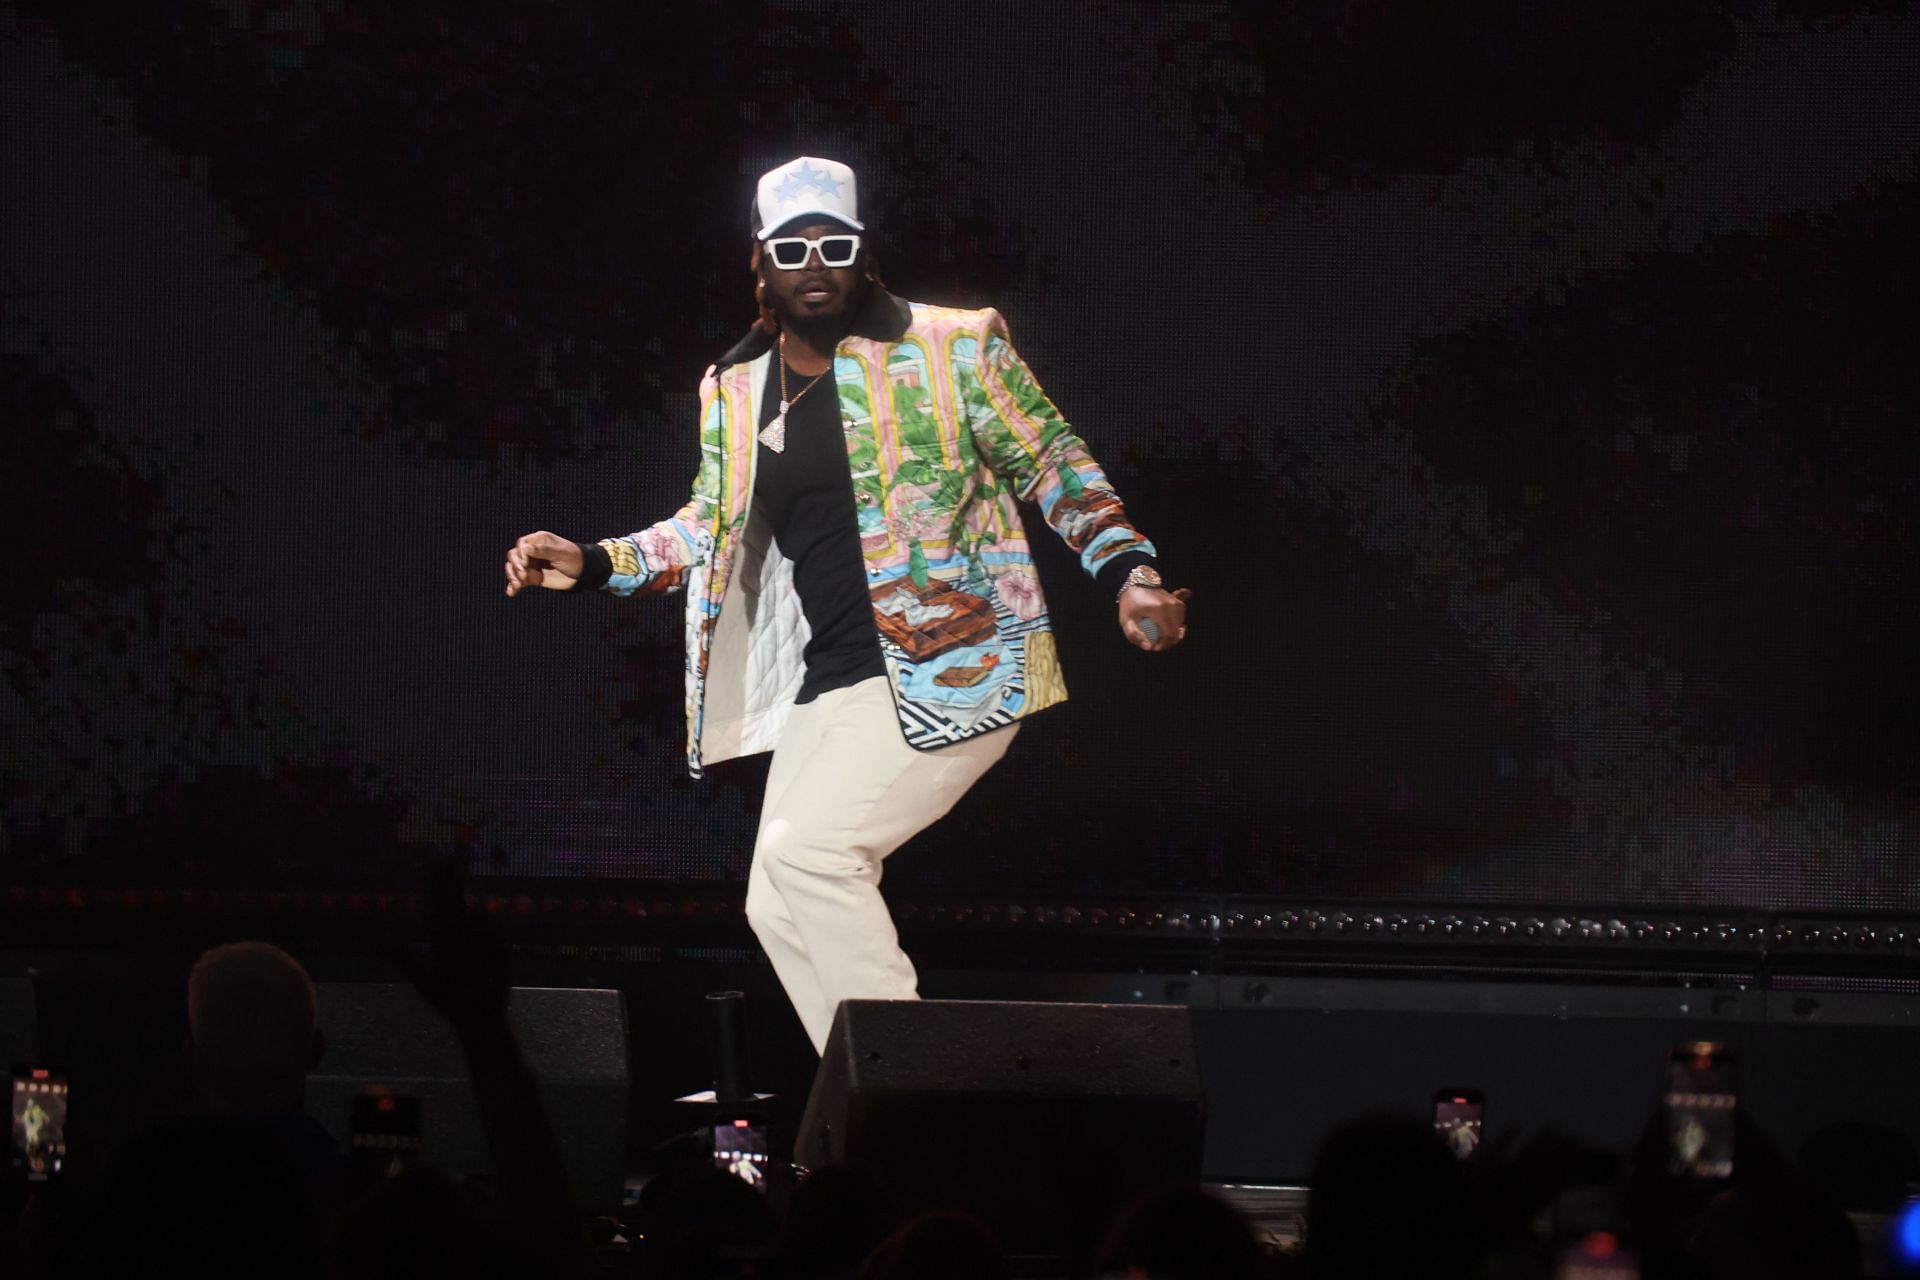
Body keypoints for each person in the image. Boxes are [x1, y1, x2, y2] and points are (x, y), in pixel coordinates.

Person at [504, 156, 1189, 1052]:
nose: (815, 263)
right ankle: (866, 1087)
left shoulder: (951, 347)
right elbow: (707, 527)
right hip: (826, 685)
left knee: (810, 856)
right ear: (763, 263)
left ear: (862, 253)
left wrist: (1129, 570)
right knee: (775, 898)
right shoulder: (734, 388)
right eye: (794, 248)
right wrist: (593, 563)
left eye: (835, 245)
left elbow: (1054, 464)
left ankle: (910, 1090)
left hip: (955, 663)